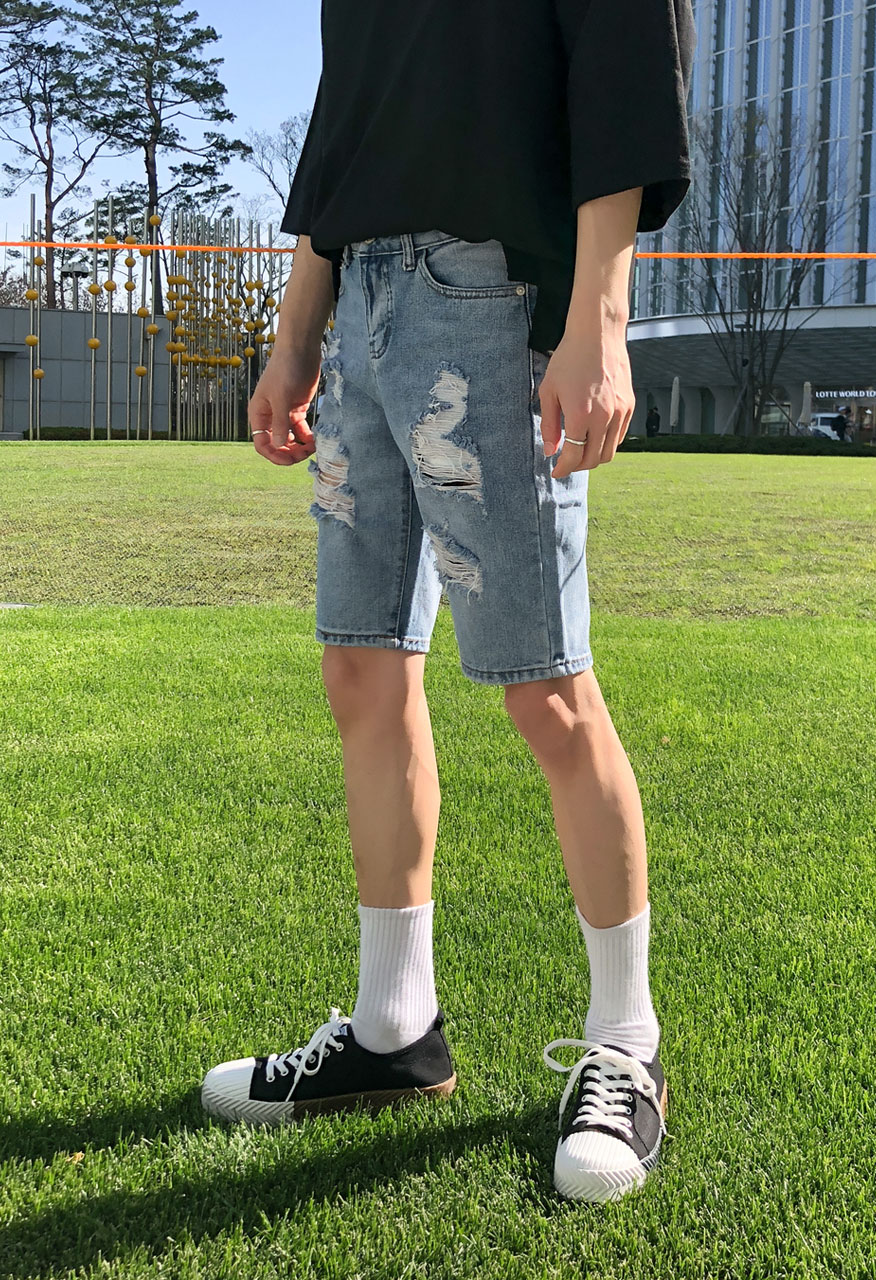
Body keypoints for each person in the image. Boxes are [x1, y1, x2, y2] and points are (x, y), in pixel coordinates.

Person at [201, 0, 697, 1205]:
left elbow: (624, 57)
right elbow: (346, 116)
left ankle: (626, 1042)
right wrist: (296, 332)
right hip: (361, 304)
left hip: (494, 297)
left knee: (545, 686)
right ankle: (394, 1028)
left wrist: (601, 319)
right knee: (360, 665)